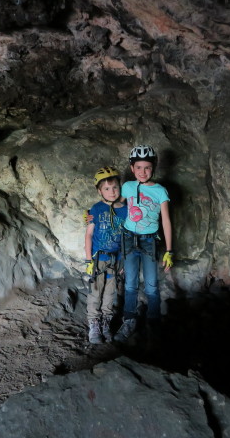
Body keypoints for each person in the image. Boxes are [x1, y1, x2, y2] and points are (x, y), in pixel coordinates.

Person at [114, 145, 173, 343]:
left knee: (151, 286)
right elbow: (118, 207)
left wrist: (170, 251)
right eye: (138, 167)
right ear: (132, 168)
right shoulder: (128, 187)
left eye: (147, 167)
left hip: (149, 242)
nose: (142, 172)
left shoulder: (160, 191)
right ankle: (129, 319)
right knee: (130, 284)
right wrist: (95, 213)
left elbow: (166, 220)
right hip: (129, 239)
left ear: (153, 167)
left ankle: (153, 322)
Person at [84, 166, 128, 344]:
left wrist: (123, 261)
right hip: (98, 259)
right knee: (96, 292)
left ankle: (106, 323)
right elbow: (88, 234)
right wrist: (88, 259)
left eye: (115, 187)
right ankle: (94, 324)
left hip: (115, 259)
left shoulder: (125, 210)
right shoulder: (95, 209)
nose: (112, 191)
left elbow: (126, 236)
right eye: (107, 189)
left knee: (110, 293)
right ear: (99, 191)